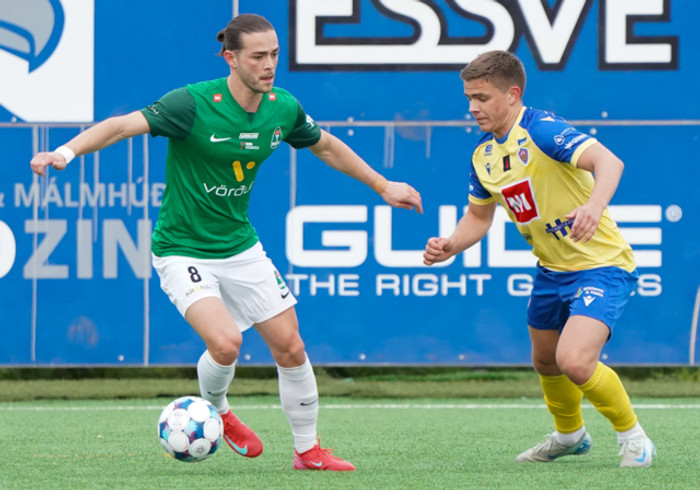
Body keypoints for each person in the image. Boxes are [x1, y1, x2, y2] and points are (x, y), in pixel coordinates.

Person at [30, 13, 422, 471]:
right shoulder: (191, 104)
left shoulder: (283, 107)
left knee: (291, 347)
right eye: (258, 57)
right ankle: (218, 408)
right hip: (181, 248)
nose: (269, 65)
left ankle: (308, 451)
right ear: (230, 58)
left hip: (240, 246)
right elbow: (119, 126)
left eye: (274, 55)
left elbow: (327, 146)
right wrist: (66, 152)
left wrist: (382, 185)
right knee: (227, 343)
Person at [422, 50, 654, 468]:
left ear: (512, 95)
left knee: (574, 360)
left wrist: (594, 206)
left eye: (482, 97)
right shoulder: (483, 155)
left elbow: (609, 162)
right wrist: (451, 245)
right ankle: (570, 435)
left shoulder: (542, 130)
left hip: (601, 264)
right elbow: (479, 216)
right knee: (545, 360)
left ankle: (633, 437)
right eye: (469, 98)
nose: (472, 107)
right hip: (551, 270)